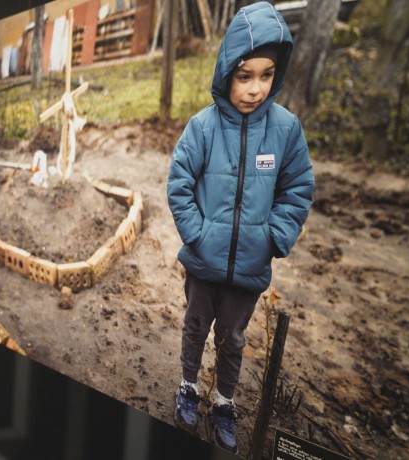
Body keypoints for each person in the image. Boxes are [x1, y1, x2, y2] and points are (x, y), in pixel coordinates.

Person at [166, 2, 314, 454]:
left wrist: (273, 238)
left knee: (232, 339)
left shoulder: (287, 130)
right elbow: (179, 183)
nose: (254, 88)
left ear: (277, 73)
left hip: (249, 268)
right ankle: (189, 387)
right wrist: (198, 233)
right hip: (202, 263)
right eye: (244, 75)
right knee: (195, 328)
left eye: (266, 75)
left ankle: (224, 403)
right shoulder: (202, 127)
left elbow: (298, 189)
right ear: (226, 71)